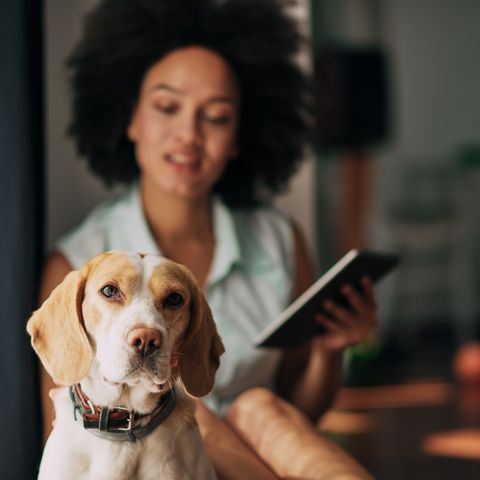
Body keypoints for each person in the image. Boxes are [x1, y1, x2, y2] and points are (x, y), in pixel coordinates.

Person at [39, 0, 377, 477]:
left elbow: (301, 414)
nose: (189, 134)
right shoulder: (76, 265)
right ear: (130, 117)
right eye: (166, 107)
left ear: (239, 135)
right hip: (158, 460)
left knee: (259, 407)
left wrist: (331, 347)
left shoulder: (280, 240)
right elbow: (68, 426)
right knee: (192, 412)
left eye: (216, 116)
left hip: (265, 454)